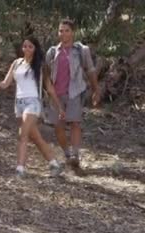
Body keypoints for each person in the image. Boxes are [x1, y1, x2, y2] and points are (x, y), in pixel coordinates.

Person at [0, 36, 64, 178]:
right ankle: (54, 163)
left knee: (22, 134)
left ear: (35, 48)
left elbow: (49, 89)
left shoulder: (40, 66)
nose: (26, 49)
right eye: (25, 46)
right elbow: (7, 82)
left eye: (30, 46)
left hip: (32, 103)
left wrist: (59, 108)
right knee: (36, 137)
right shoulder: (16, 63)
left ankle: (20, 168)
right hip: (19, 103)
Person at [45, 19, 101, 170]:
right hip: (56, 95)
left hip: (75, 92)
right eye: (61, 31)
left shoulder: (81, 50)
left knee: (75, 123)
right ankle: (67, 154)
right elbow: (45, 74)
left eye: (67, 30)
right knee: (58, 126)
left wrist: (96, 90)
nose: (63, 34)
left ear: (73, 32)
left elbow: (90, 70)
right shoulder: (52, 52)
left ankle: (75, 155)